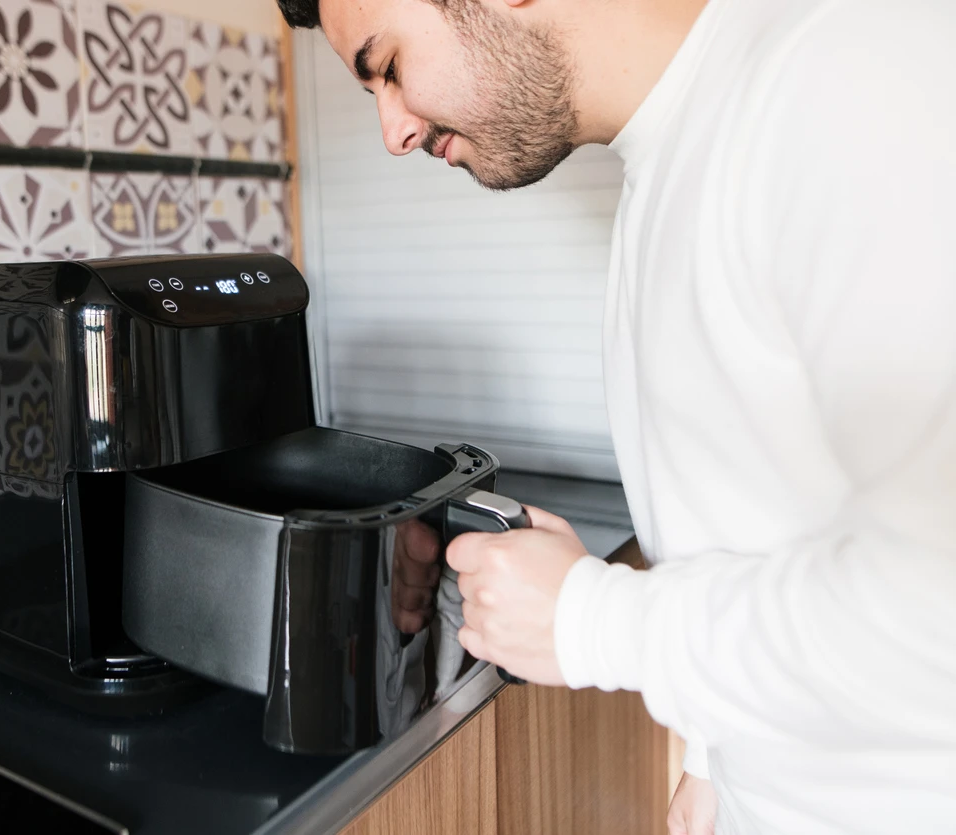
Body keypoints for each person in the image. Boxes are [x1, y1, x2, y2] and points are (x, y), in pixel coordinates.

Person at [274, 0, 956, 832]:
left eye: (386, 67)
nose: (394, 130)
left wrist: (591, 621)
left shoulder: (844, 76)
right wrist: (713, 759)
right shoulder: (671, 156)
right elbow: (767, 518)